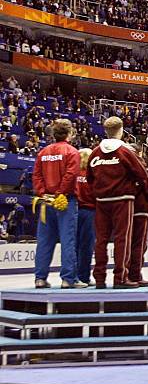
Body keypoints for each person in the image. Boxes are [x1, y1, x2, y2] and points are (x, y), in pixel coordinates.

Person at [87, 117, 148, 289]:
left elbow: (89, 177)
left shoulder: (95, 153)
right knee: (122, 239)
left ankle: (100, 278)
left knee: (101, 240)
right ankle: (120, 278)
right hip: (122, 200)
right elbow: (142, 175)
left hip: (102, 201)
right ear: (121, 130)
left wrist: (98, 192)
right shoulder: (125, 152)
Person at [32, 119, 86, 289]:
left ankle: (40, 278)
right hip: (65, 201)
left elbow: (36, 176)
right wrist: (60, 194)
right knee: (68, 240)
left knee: (44, 241)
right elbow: (70, 176)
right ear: (70, 134)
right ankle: (68, 279)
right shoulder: (72, 151)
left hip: (45, 201)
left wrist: (43, 193)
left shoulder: (43, 152)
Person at [128, 143, 148, 287]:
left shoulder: (123, 166)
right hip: (140, 208)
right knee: (139, 244)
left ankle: (127, 273)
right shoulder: (139, 164)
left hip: (126, 209)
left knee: (128, 243)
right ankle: (135, 274)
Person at [75, 148, 96, 285]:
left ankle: (72, 276)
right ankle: (84, 276)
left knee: (73, 245)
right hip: (90, 211)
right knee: (87, 246)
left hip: (74, 211)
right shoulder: (93, 174)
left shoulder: (73, 173)